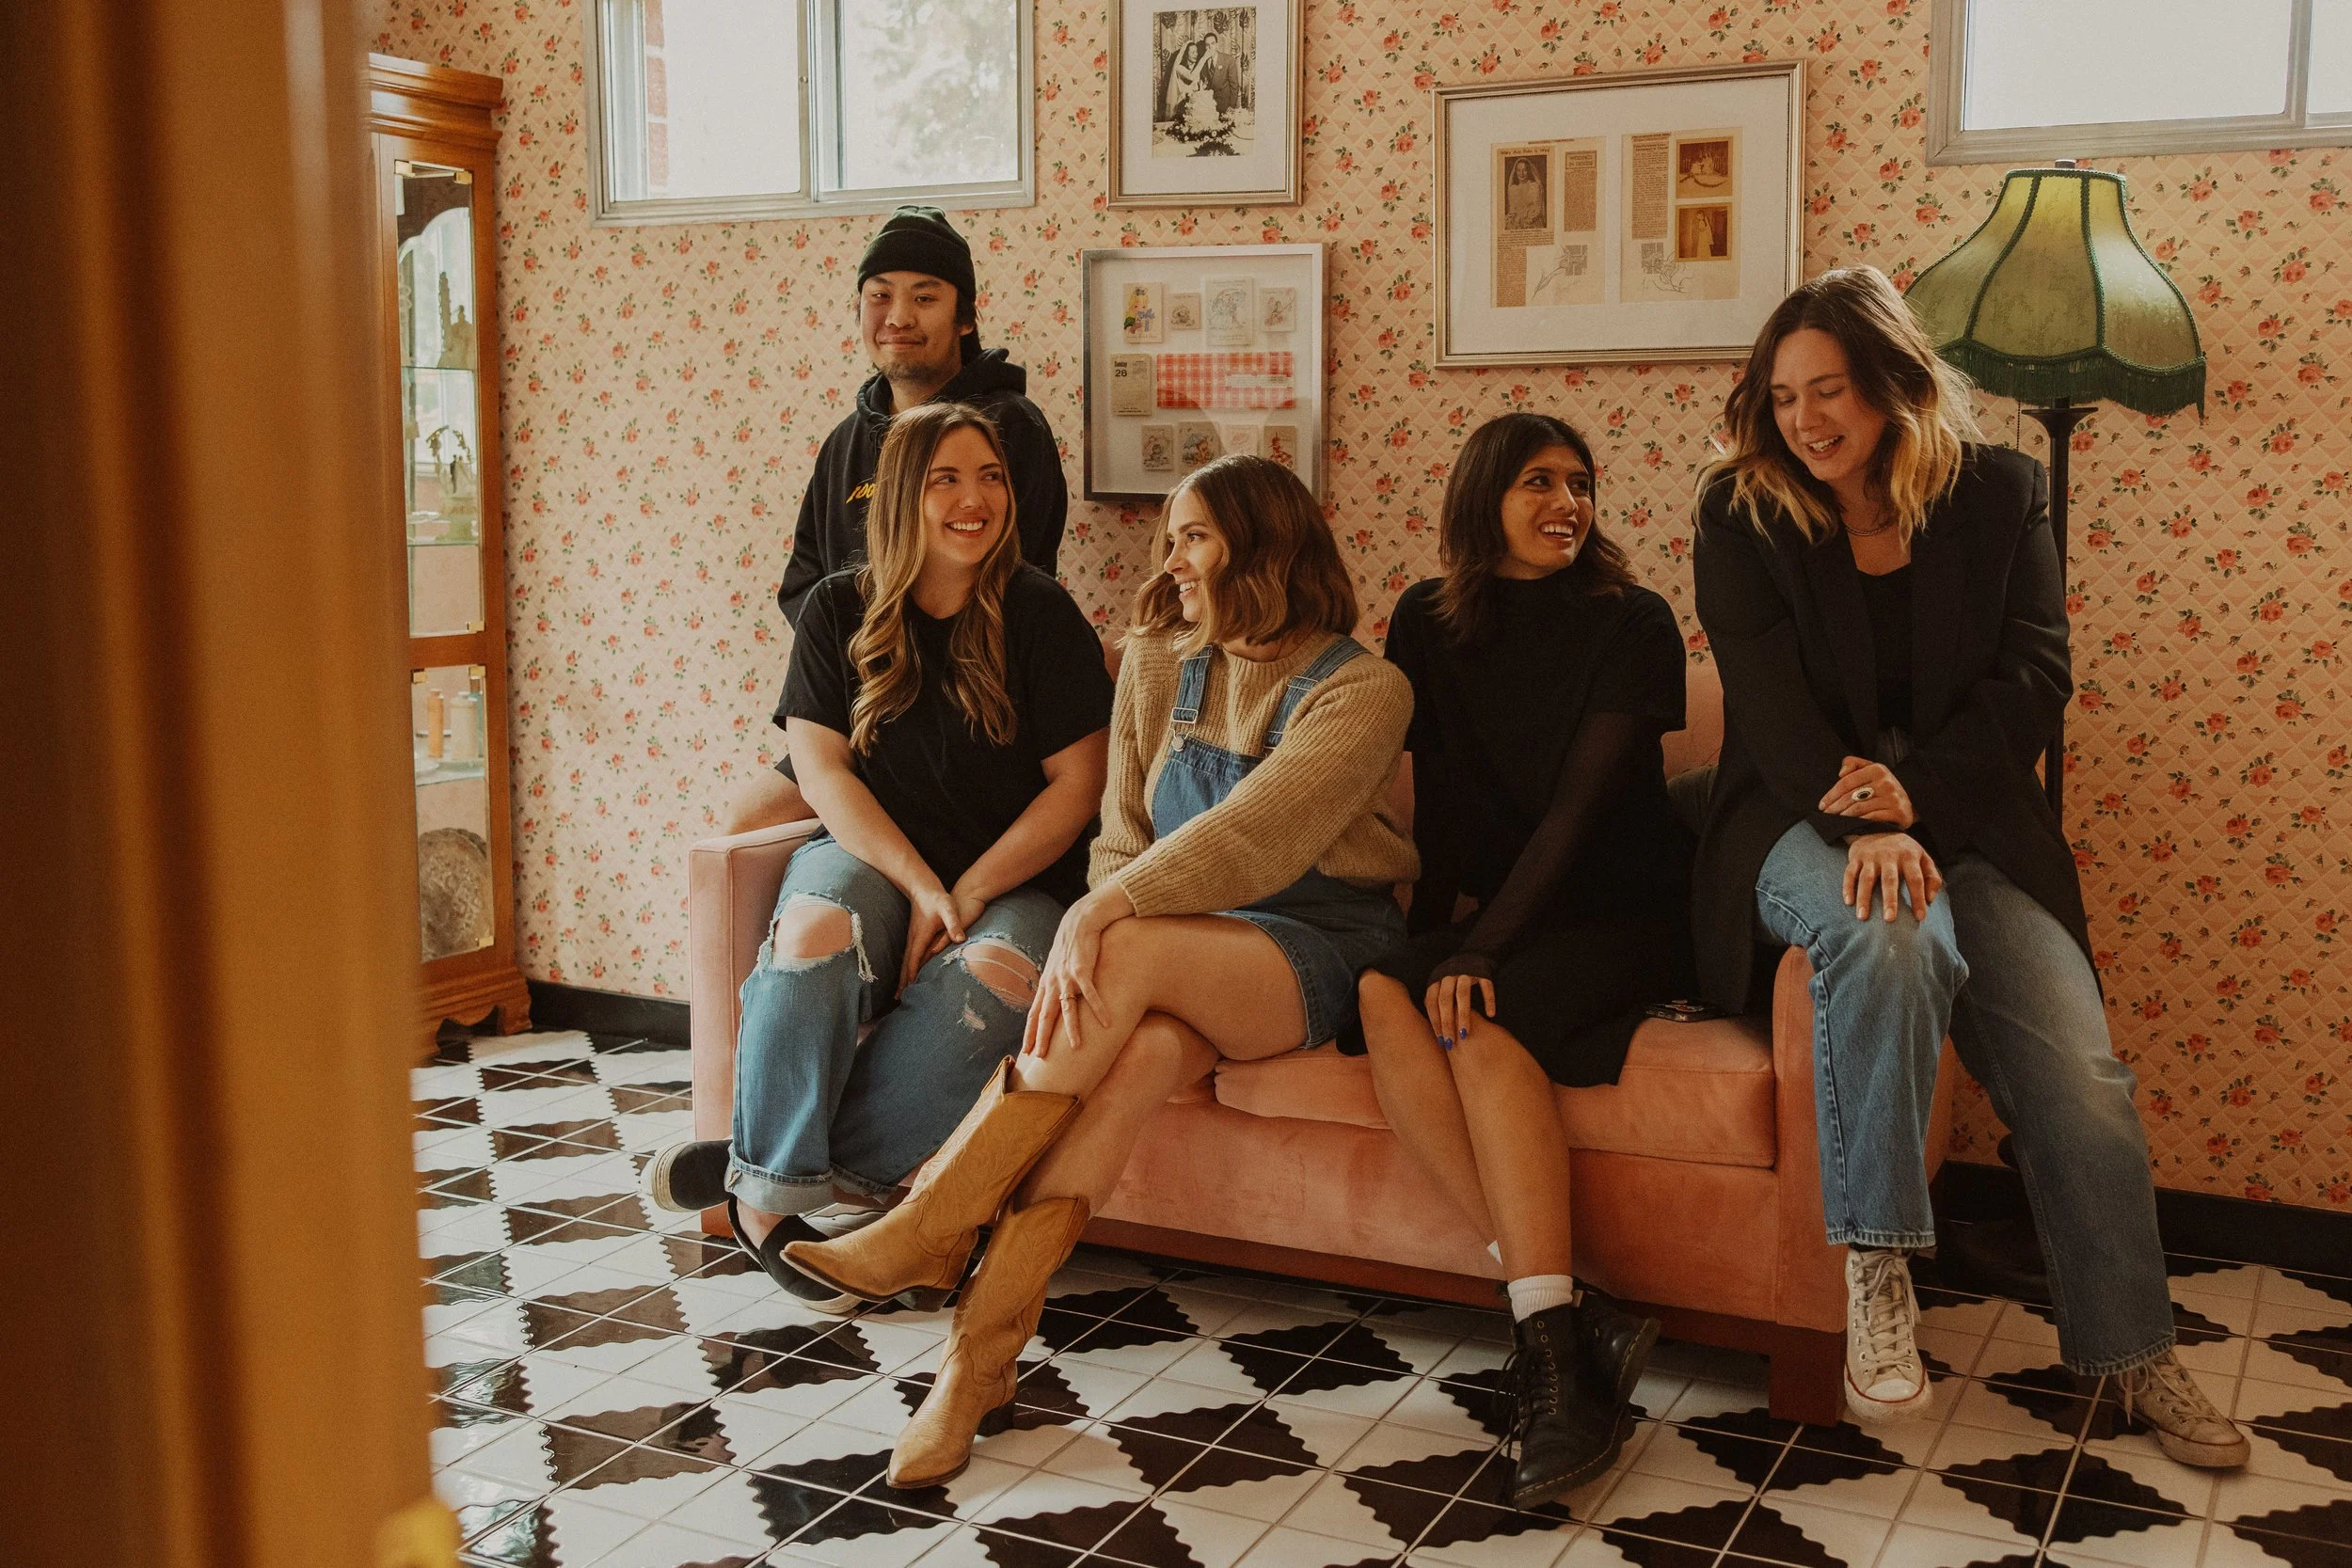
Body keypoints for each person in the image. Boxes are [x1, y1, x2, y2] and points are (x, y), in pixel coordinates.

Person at [1692, 266, 2248, 1466]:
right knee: (1885, 929)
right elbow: (1768, 703)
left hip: (1973, 820)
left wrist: (1921, 800)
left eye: (1828, 389)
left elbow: (2035, 671)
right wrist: (1868, 822)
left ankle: (2132, 1347)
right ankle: (1879, 1261)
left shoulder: (1999, 491)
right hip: (1796, 813)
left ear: (1890, 380)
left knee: (2079, 1075)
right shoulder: (1740, 510)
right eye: (1782, 396)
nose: (1804, 419)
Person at [783, 454, 1417, 1488]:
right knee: (1131, 1067)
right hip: (1175, 936)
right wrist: (1107, 903)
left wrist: (1099, 912)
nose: (1170, 563)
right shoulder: (1159, 660)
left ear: (1265, 545)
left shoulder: (1363, 688)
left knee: (1115, 947)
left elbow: (1256, 834)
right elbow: (1121, 834)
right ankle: (975, 1367)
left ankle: (933, 1218)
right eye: (1171, 538)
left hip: (1313, 939)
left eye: (1194, 537)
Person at [644, 404, 1111, 1313]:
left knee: (998, 980)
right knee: (813, 930)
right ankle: (769, 1210)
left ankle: (763, 1163)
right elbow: (821, 772)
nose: (975, 499)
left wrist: (966, 892)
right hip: (877, 857)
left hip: (1016, 876)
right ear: (901, 493)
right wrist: (921, 887)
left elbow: (1076, 787)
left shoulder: (1041, 611)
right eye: (947, 479)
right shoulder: (837, 607)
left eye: (991, 477)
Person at [1351, 413, 1690, 1509]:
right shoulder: (1425, 617)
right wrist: (1428, 937)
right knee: (1380, 988)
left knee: (1476, 1012)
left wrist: (1476, 949)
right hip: (1511, 911)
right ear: (1482, 495)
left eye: (1579, 482)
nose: (1567, 503)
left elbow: (1577, 817)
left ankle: (1550, 1357)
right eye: (1538, 481)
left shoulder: (1632, 619)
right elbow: (1446, 802)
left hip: (1625, 906)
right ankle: (1569, 1308)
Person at [723, 205, 1070, 834]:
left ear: (964, 317)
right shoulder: (845, 443)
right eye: (879, 296)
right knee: (746, 820)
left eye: (925, 297)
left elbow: (1021, 581)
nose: (899, 317)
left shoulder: (1010, 427)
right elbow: (805, 585)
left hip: (975, 708)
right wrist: (866, 668)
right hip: (865, 707)